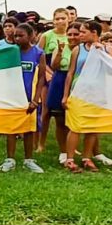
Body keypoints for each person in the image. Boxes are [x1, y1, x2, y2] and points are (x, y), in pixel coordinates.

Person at [62, 20, 112, 172]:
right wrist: (65, 95)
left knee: (92, 127)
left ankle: (87, 157)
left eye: (84, 32)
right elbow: (70, 73)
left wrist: (102, 53)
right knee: (75, 127)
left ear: (94, 33)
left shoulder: (106, 48)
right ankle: (70, 159)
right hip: (79, 92)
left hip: (98, 93)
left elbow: (111, 70)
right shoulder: (77, 50)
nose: (80, 35)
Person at [0, 24, 45, 173]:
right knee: (11, 129)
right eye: (15, 36)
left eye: (21, 36)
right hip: (13, 97)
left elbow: (42, 78)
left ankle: (28, 160)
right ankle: (10, 159)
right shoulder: (11, 53)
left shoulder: (38, 53)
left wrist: (36, 99)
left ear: (31, 36)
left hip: (29, 98)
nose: (18, 39)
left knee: (29, 130)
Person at [45, 22, 81, 164]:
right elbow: (54, 66)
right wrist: (59, 52)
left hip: (77, 83)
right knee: (60, 119)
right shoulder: (62, 46)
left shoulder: (83, 50)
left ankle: (73, 147)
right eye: (69, 34)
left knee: (75, 120)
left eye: (76, 34)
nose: (72, 37)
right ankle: (63, 151)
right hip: (59, 81)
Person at [36, 9, 70, 154]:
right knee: (46, 112)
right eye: (57, 18)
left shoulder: (72, 36)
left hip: (66, 76)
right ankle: (40, 143)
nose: (60, 21)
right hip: (48, 76)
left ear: (69, 19)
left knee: (66, 113)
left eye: (63, 18)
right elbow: (37, 56)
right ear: (53, 20)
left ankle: (67, 143)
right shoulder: (47, 35)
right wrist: (48, 73)